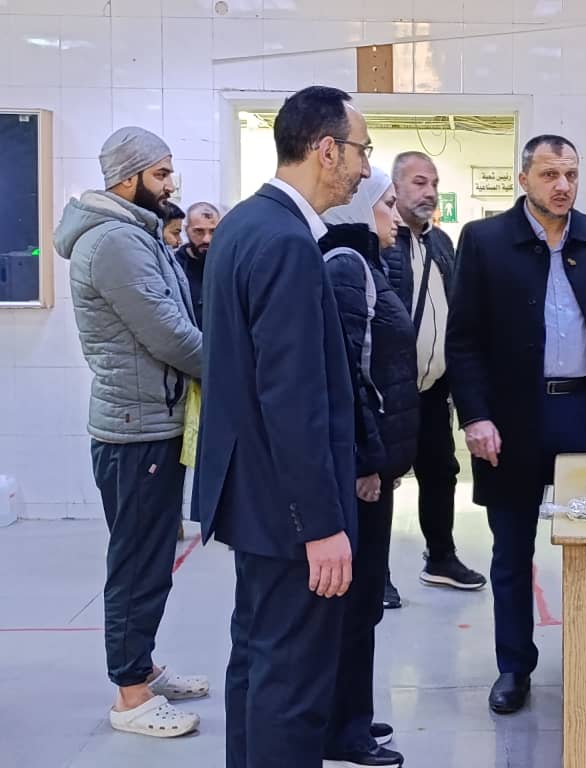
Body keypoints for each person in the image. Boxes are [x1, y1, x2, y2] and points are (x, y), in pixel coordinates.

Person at [193, 86, 369, 768]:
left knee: (259, 662)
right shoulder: (288, 242)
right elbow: (292, 398)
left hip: (254, 497)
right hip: (289, 508)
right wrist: (321, 525)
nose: (363, 169)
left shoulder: (244, 224)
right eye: (360, 151)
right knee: (293, 686)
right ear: (326, 150)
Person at [446, 134, 586, 714]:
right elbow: (464, 341)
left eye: (572, 175)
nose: (563, 186)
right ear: (524, 179)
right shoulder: (484, 240)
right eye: (550, 174)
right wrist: (475, 415)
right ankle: (514, 667)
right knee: (512, 550)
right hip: (514, 416)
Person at [54, 126, 206, 738]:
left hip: (149, 419)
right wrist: (237, 368)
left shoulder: (134, 232)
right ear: (128, 178)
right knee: (137, 562)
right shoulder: (116, 240)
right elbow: (170, 334)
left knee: (152, 557)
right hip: (135, 428)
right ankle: (131, 696)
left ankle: (141, 667)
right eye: (161, 174)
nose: (171, 185)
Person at [319, 167, 417, 768]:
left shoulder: (368, 265)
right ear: (358, 209)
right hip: (362, 471)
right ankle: (342, 730)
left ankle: (353, 712)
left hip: (377, 464)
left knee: (365, 604)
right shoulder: (345, 267)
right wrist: (365, 460)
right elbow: (348, 376)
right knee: (354, 607)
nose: (397, 217)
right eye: (387, 205)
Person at [380, 151, 487, 609]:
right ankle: (376, 575)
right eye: (419, 182)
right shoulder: (380, 240)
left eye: (434, 184)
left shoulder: (442, 242)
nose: (429, 192)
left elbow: (459, 313)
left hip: (434, 388)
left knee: (441, 472)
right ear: (395, 188)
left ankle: (440, 557)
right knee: (381, 480)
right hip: (391, 390)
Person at [174, 201, 220, 331]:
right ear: (186, 230)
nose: (207, 239)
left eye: (213, 231)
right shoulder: (174, 267)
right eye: (199, 231)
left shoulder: (230, 266)